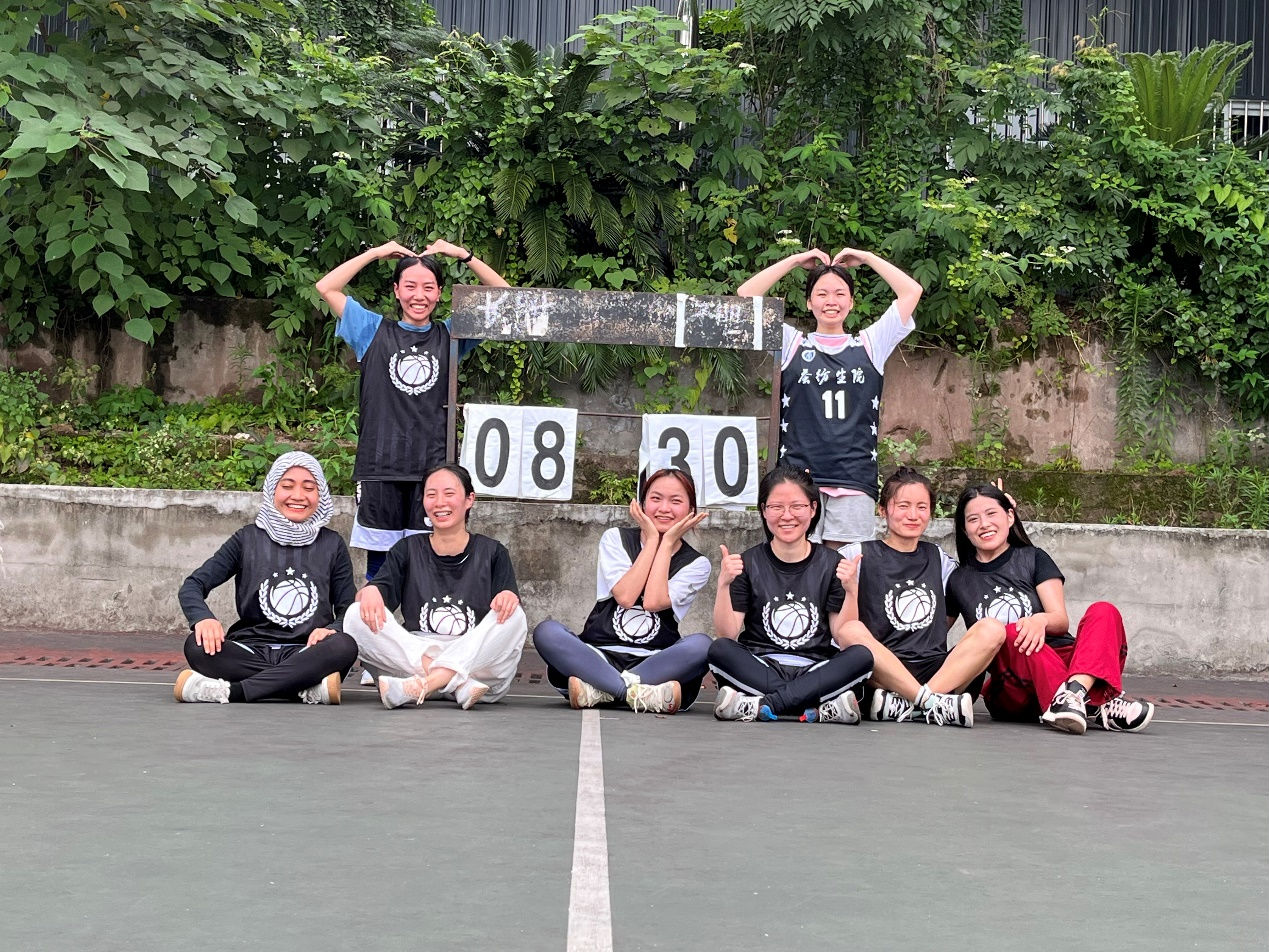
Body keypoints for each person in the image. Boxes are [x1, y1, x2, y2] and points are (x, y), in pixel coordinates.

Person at [314, 239, 509, 583]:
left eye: (428, 287)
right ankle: (377, 618)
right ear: (396, 290)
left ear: (440, 293)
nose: (419, 295)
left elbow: (507, 298)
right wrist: (375, 253)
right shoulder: (372, 330)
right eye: (410, 286)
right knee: (380, 570)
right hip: (380, 467)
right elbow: (326, 287)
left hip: (434, 473)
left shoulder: (452, 334)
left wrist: (462, 254)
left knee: (427, 566)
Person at [737, 247, 922, 548]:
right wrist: (795, 260)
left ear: (852, 302)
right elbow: (746, 297)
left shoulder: (871, 344)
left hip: (853, 478)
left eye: (839, 294)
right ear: (809, 303)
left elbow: (911, 292)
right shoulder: (792, 343)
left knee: (845, 567)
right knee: (799, 561)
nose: (831, 301)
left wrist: (868, 258)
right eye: (821, 294)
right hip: (798, 479)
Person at [947, 482, 1155, 733]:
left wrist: (1040, 620)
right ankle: (1095, 704)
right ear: (964, 528)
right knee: (1011, 632)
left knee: (1104, 611)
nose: (984, 524)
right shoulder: (958, 580)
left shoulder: (1034, 558)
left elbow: (1060, 620)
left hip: (1064, 660)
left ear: (1010, 517)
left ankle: (1074, 694)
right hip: (1015, 682)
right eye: (973, 519)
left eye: (992, 514)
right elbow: (933, 637)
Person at [174, 452, 358, 704]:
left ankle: (235, 692)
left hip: (307, 652)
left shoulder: (332, 544)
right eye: (287, 486)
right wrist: (202, 618)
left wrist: (332, 629)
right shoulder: (246, 539)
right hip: (249, 649)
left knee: (343, 646)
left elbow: (348, 609)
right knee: (197, 646)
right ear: (272, 489)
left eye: (309, 488)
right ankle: (303, 688)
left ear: (321, 495)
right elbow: (193, 585)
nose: (298, 496)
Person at [342, 463, 527, 710]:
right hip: (420, 656)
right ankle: (456, 684)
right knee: (355, 613)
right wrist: (371, 591)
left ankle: (425, 685)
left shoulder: (493, 552)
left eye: (449, 494)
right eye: (431, 494)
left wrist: (507, 596)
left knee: (515, 616)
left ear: (469, 499)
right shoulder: (407, 549)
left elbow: (507, 606)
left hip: (474, 659)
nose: (440, 502)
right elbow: (377, 595)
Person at [533, 468, 712, 714]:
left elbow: (652, 602)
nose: (664, 508)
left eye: (676, 501)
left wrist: (667, 542)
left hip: (655, 662)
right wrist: (652, 540)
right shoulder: (615, 539)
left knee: (703, 646)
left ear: (691, 510)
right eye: (656, 498)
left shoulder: (697, 564)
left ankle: (601, 690)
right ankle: (634, 694)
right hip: (598, 657)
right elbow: (626, 597)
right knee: (547, 632)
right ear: (642, 504)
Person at [835, 467, 1004, 727]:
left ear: (931, 512)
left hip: (936, 672)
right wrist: (851, 588)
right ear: (883, 510)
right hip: (882, 672)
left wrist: (1002, 515)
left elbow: (987, 567)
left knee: (992, 628)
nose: (913, 515)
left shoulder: (941, 561)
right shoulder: (855, 555)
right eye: (903, 506)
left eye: (922, 507)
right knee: (850, 630)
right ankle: (933, 705)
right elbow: (841, 635)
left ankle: (914, 703)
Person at [708, 465, 874, 723]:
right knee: (720, 650)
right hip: (761, 666)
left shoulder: (832, 563)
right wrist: (723, 584)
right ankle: (815, 708)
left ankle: (763, 705)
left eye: (797, 506)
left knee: (861, 656)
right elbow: (727, 633)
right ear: (764, 510)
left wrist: (851, 591)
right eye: (776, 507)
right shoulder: (747, 563)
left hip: (815, 668)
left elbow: (843, 636)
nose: (787, 516)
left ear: (813, 508)